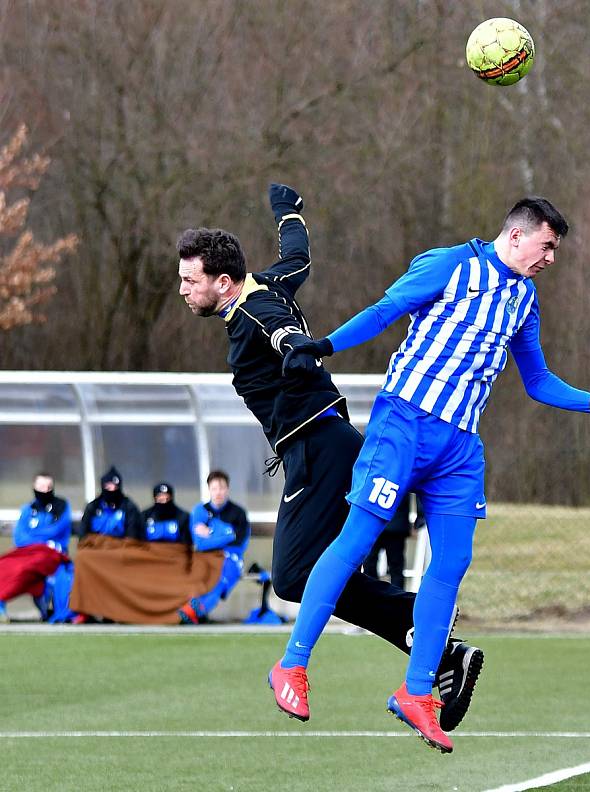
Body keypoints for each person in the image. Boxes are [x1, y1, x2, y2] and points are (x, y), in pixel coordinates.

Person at [273, 197, 590, 753]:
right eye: (547, 246)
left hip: (459, 447)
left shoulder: (524, 300)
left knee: (452, 562)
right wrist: (323, 346)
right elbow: (384, 312)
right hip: (403, 424)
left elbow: (538, 380)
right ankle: (292, 666)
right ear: (517, 236)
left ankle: (417, 693)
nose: (550, 258)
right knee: (356, 539)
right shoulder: (450, 265)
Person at [177, 185, 482, 731]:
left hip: (319, 450)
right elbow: (298, 258)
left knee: (293, 576)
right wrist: (287, 212)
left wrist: (295, 347)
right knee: (325, 571)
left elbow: (279, 331)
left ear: (221, 283)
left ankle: (418, 624)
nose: (182, 289)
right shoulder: (265, 284)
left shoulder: (254, 310)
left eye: (188, 280)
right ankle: (431, 639)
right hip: (329, 446)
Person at [178, 470, 250, 623]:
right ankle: (195, 611)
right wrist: (228, 535)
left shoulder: (238, 513)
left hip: (230, 557)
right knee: (195, 571)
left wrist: (211, 532)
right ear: (209, 489)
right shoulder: (200, 511)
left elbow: (240, 544)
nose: (218, 492)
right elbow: (201, 544)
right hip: (205, 556)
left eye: (222, 488)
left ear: (227, 489)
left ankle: (198, 609)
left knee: (224, 577)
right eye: (214, 488)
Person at [0, 473, 72, 623]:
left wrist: (33, 536)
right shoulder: (28, 509)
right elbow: (19, 538)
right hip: (29, 553)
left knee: (25, 568)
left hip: (53, 554)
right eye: (40, 486)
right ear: (34, 487)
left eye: (48, 487)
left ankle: (47, 609)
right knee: (5, 564)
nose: (44, 490)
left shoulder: (62, 507)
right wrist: (41, 541)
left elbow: (56, 530)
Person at [363, 493, 422, 590]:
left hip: (375, 522)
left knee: (370, 564)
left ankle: (372, 596)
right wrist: (419, 519)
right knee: (396, 567)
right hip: (396, 524)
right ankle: (397, 600)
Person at [79, 466, 141, 540]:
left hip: (121, 548)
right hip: (95, 547)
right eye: (108, 487)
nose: (111, 491)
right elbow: (83, 534)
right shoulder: (93, 507)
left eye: (115, 487)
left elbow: (132, 535)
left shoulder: (129, 507)